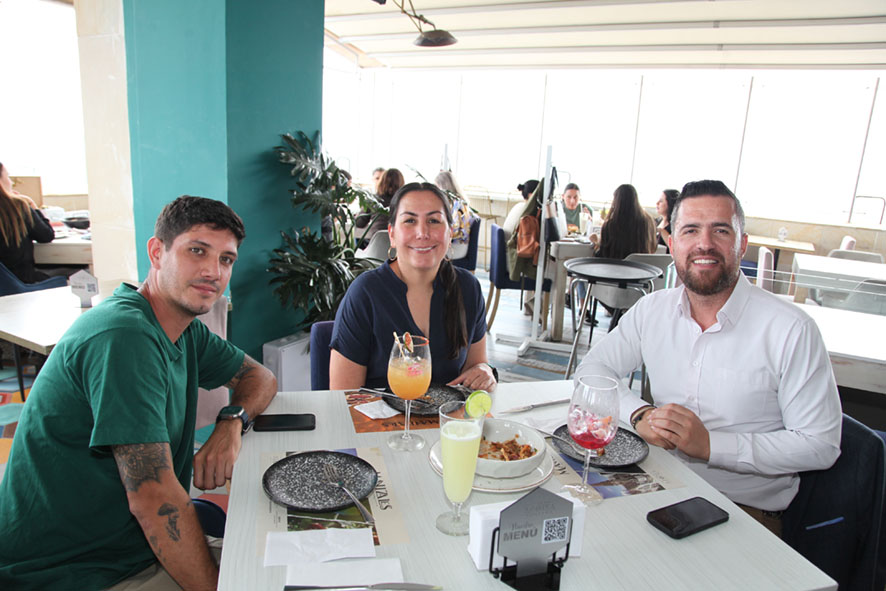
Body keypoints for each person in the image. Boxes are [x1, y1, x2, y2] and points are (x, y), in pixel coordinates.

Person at [0, 196, 278, 590]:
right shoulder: (124, 337)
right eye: (196, 251)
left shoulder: (182, 327)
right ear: (157, 252)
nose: (212, 271)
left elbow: (261, 378)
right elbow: (155, 501)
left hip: (128, 547)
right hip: (68, 570)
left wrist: (230, 423)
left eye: (226, 259)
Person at [574, 180, 842, 535]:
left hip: (744, 514)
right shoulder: (652, 311)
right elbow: (592, 370)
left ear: (742, 244)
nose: (704, 244)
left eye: (720, 230)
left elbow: (819, 445)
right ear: (671, 243)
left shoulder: (790, 329)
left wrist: (712, 446)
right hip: (653, 489)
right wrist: (639, 414)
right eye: (690, 230)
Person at [330, 182, 496, 393]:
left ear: (450, 232)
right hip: (377, 423)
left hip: (449, 422)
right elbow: (344, 396)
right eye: (410, 220)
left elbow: (476, 366)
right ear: (392, 234)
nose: (422, 233)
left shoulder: (468, 288)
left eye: (434, 220)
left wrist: (484, 371)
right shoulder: (365, 294)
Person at [0, 161, 55, 283]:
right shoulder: (18, 206)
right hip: (20, 284)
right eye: (7, 177)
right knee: (76, 275)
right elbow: (46, 235)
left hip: (5, 290)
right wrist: (32, 205)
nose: (11, 182)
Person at [592, 183, 656, 259]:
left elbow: (601, 256)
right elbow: (653, 248)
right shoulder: (648, 222)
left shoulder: (611, 225)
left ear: (616, 201)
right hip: (641, 269)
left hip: (614, 269)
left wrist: (596, 242)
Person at [355, 167, 404, 246]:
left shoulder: (372, 200)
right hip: (398, 247)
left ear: (382, 181)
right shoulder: (404, 201)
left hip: (376, 247)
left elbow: (359, 223)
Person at [435, 170, 476, 260]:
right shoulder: (459, 202)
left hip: (455, 248)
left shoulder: (456, 205)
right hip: (457, 246)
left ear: (442, 186)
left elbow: (455, 232)